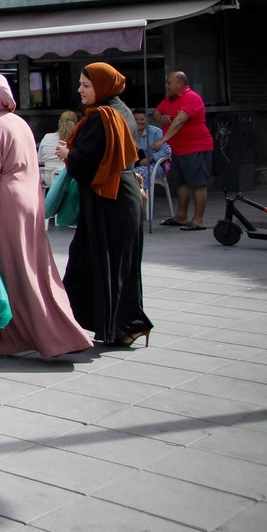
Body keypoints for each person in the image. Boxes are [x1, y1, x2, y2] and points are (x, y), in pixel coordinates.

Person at [0, 73, 94, 359]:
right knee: (33, 271)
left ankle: (2, 339)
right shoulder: (18, 122)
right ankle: (57, 331)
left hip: (2, 208)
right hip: (28, 205)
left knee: (4, 274)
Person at [58, 63, 153, 347]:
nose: (80, 90)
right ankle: (121, 326)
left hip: (109, 199)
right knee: (114, 264)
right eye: (80, 84)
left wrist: (67, 153)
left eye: (86, 85)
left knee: (103, 263)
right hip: (120, 195)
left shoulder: (102, 116)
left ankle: (124, 326)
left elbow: (87, 162)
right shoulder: (121, 110)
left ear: (102, 86)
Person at [153, 71, 214, 230]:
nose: (167, 86)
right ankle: (181, 215)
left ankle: (198, 220)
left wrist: (162, 140)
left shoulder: (191, 97)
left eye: (169, 83)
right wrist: (161, 118)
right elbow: (156, 112)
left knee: (198, 183)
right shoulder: (170, 99)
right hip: (178, 148)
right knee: (181, 182)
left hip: (195, 146)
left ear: (179, 84)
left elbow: (180, 120)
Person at [135, 109, 172, 202]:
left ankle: (140, 199)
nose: (139, 122)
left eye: (142, 119)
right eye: (136, 119)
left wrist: (151, 158)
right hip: (138, 164)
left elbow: (167, 150)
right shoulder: (129, 132)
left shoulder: (155, 132)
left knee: (138, 174)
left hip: (163, 165)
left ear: (146, 119)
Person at [38, 110, 79, 189]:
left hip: (50, 182)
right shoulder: (79, 140)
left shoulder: (47, 137)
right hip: (72, 183)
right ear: (77, 124)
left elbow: (40, 160)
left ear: (59, 122)